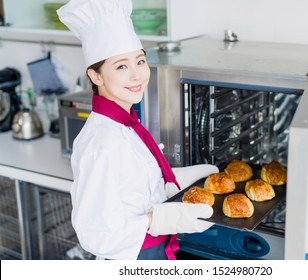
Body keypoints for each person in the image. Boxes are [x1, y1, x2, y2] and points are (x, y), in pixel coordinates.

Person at [57, 0, 218, 260]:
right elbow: (96, 234)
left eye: (140, 61)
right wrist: (156, 219)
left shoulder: (126, 122)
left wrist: (174, 181)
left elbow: (131, 184)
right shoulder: (101, 143)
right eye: (121, 66)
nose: (137, 75)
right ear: (96, 76)